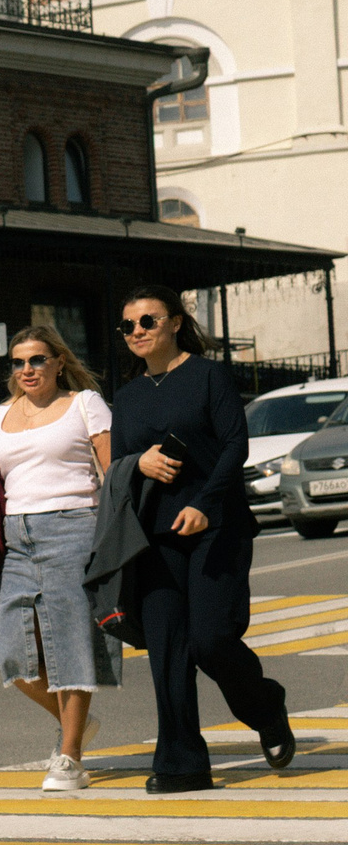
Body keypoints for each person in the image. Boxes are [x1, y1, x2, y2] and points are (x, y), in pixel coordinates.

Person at [110, 285, 295, 793]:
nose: (137, 332)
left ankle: (266, 706)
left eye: (147, 321)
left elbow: (236, 444)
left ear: (174, 322)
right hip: (155, 537)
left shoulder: (210, 376)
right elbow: (118, 464)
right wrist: (138, 462)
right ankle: (182, 763)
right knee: (168, 649)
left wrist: (204, 503)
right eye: (128, 326)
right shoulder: (125, 398)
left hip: (217, 526)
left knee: (211, 639)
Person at [0, 327, 117, 792]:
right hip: (13, 536)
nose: (27, 371)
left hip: (73, 527)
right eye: (19, 363)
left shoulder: (84, 403)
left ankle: (71, 756)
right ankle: (76, 724)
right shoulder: (1, 414)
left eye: (37, 360)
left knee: (69, 641)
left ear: (58, 361)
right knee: (9, 651)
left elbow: (112, 469)